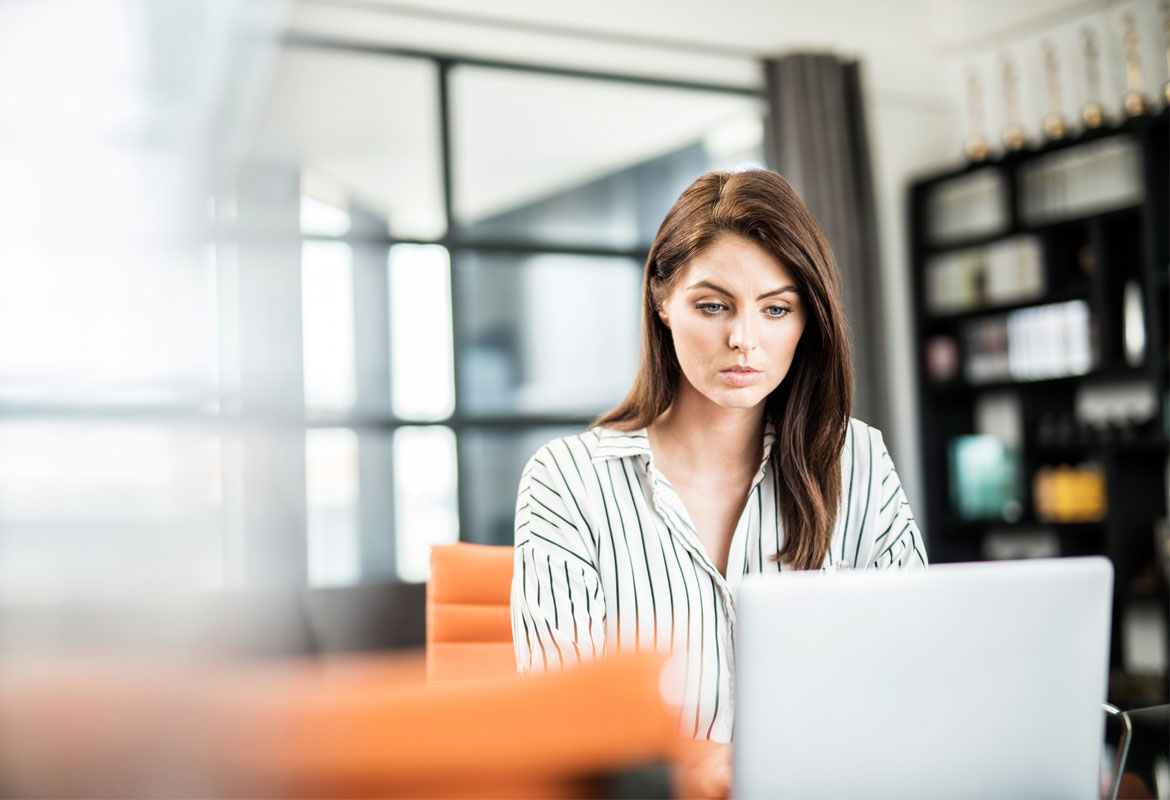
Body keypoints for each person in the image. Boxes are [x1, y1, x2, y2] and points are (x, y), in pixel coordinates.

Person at [509, 168, 926, 754]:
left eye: (776, 310)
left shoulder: (857, 459)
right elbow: (566, 721)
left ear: (809, 319)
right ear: (662, 303)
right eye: (713, 306)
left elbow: (914, 674)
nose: (744, 340)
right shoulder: (567, 482)